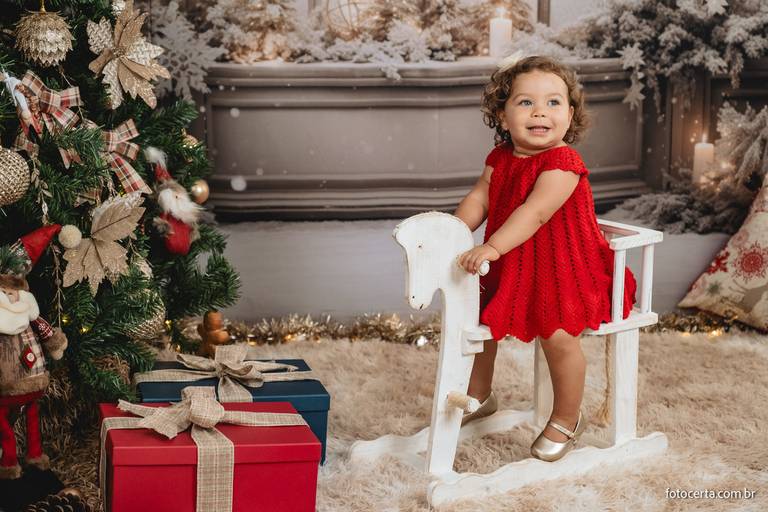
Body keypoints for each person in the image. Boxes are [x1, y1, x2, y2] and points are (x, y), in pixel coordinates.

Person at [454, 55, 637, 462]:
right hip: (513, 264)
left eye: (554, 103)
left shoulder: (563, 163)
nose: (540, 111)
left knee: (558, 334)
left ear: (570, 116)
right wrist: (450, 232)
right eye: (525, 103)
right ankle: (480, 394)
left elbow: (533, 213)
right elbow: (479, 198)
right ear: (502, 116)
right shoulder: (500, 159)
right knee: (478, 317)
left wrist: (491, 247)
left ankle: (566, 417)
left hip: (566, 269)